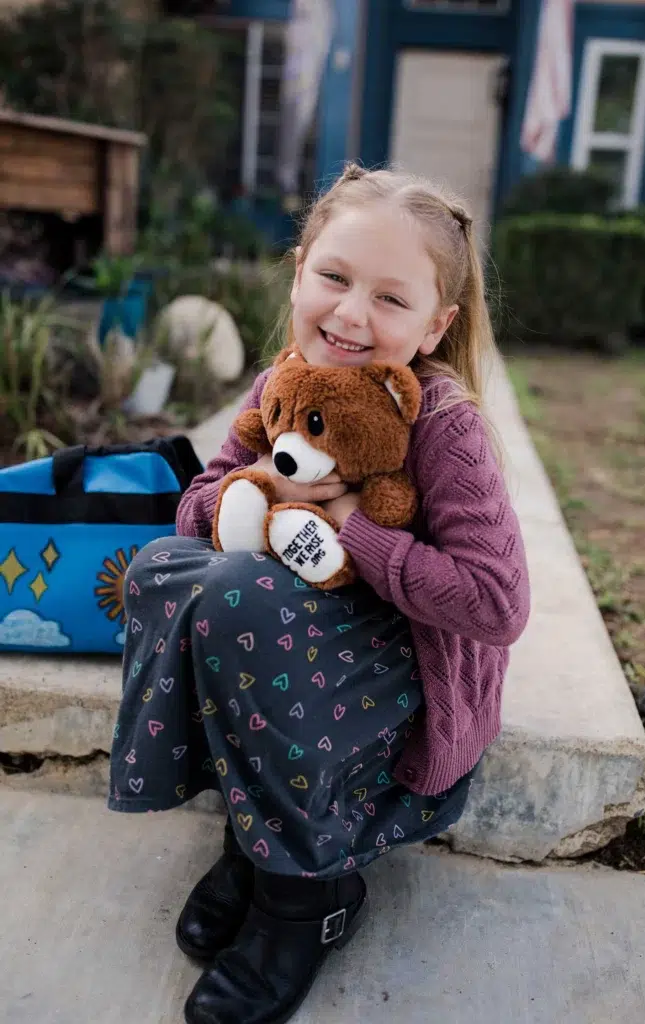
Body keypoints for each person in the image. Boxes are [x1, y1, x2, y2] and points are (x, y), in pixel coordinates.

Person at [108, 163, 531, 1024]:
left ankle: (304, 898)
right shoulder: (279, 388)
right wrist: (256, 490)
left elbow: (496, 602)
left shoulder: (443, 425)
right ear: (299, 270)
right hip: (284, 662)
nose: (349, 313)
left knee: (240, 602)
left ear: (433, 324)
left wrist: (352, 530)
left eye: (389, 297)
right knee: (160, 568)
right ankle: (254, 840)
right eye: (334, 277)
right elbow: (201, 503)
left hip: (395, 682)